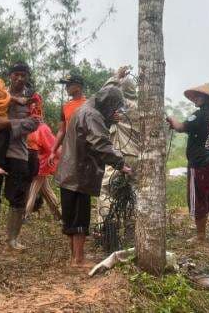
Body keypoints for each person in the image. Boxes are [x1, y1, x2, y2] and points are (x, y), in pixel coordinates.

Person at [55, 86, 132, 267]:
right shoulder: (93, 115)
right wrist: (121, 165)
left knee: (70, 217)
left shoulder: (84, 109)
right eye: (114, 107)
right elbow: (100, 143)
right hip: (79, 174)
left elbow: (90, 134)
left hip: (67, 172)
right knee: (80, 218)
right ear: (108, 104)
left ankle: (74, 257)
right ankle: (79, 259)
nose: (114, 111)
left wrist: (109, 121)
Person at [0, 61, 39, 250]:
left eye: (23, 75)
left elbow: (35, 122)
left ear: (27, 77)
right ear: (9, 76)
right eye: (16, 74)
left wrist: (8, 124)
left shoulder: (34, 98)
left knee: (17, 194)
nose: (19, 78)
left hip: (17, 152)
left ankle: (12, 239)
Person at [167, 83, 209, 242]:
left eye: (197, 97)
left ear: (206, 98)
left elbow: (180, 127)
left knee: (199, 197)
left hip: (200, 163)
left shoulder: (199, 115)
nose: (194, 100)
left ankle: (200, 236)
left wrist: (171, 118)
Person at [97, 66, 140, 223]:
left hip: (119, 155)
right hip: (137, 156)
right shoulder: (143, 108)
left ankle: (106, 228)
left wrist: (115, 76)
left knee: (106, 189)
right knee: (134, 192)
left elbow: (102, 95)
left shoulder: (119, 104)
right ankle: (134, 228)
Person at [25, 93, 62, 222]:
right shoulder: (42, 128)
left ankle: (59, 215)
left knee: (41, 190)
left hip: (37, 164)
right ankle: (26, 214)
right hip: (41, 165)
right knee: (37, 190)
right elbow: (53, 147)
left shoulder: (29, 127)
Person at [48, 74, 87, 166]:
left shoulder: (89, 104)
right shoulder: (65, 107)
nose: (66, 88)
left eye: (68, 85)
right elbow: (61, 131)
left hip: (86, 148)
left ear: (78, 86)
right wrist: (53, 151)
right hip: (70, 148)